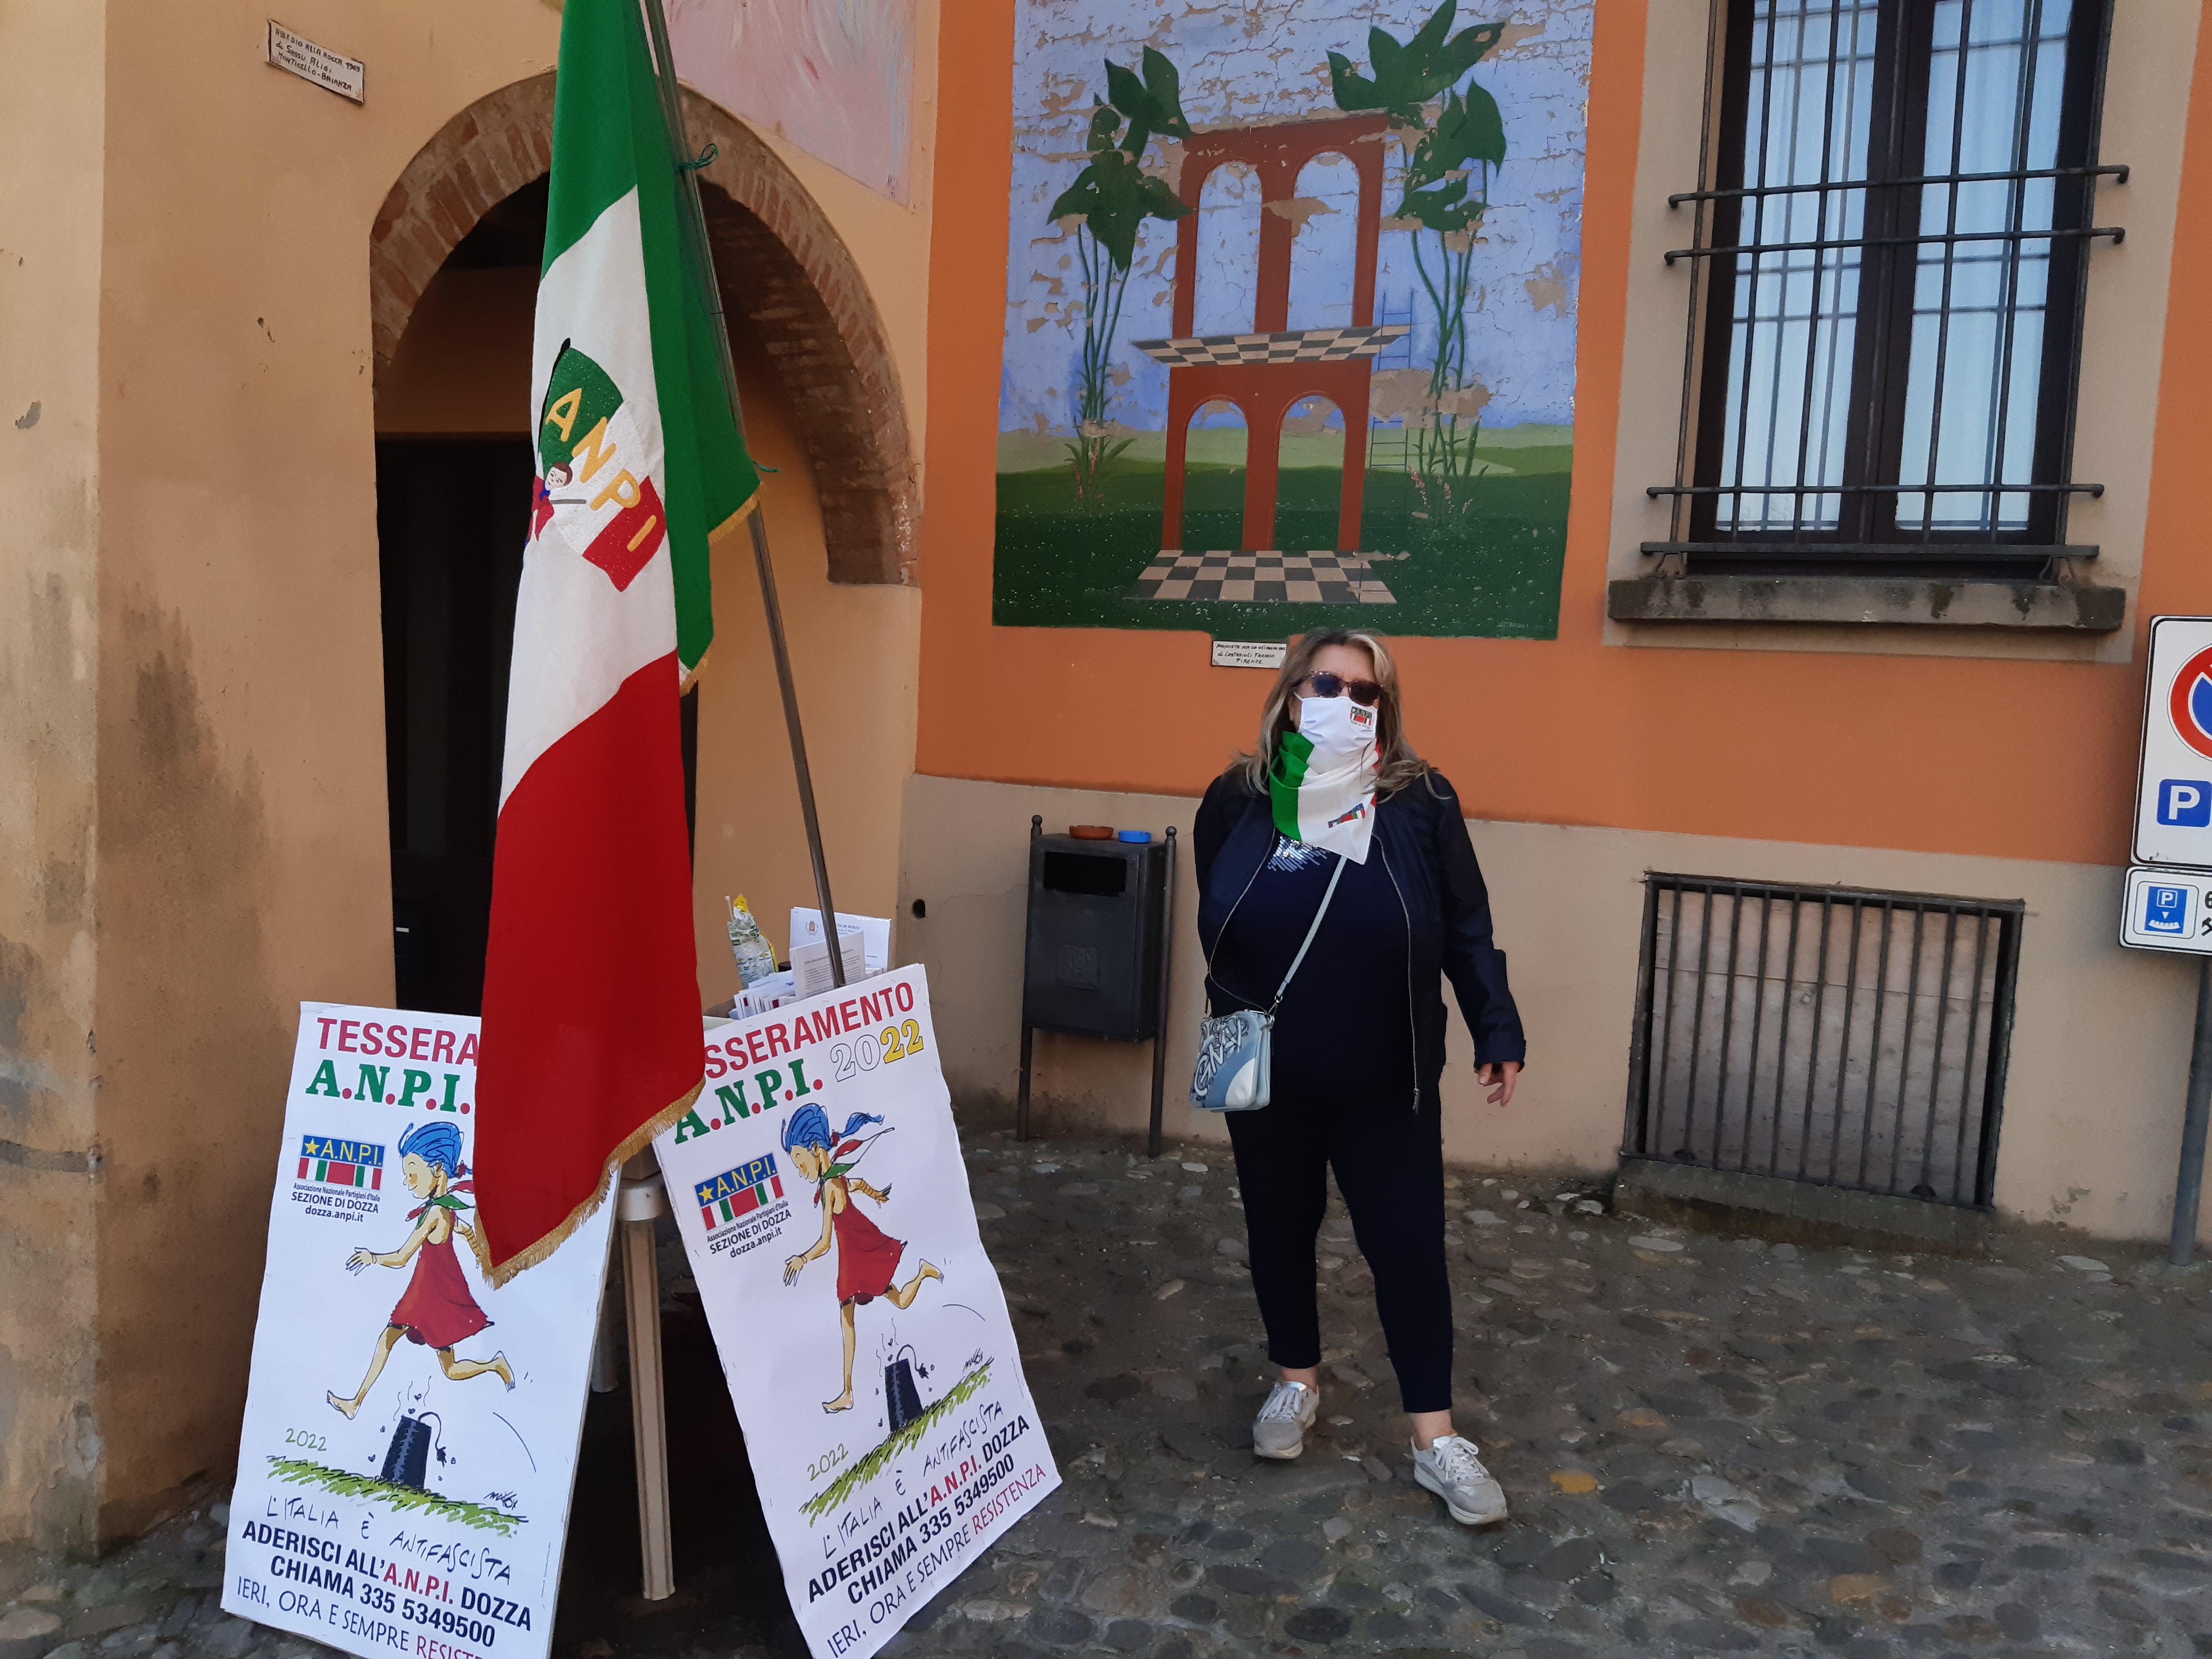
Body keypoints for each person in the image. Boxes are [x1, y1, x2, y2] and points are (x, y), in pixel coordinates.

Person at [1193, 628, 1526, 1526]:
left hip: (1387, 1077)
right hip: (1266, 1070)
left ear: (1385, 709)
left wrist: (1495, 1024)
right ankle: (1295, 1380)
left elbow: (1467, 925)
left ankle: (1434, 1437)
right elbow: (1218, 917)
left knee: (1407, 1246)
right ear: (1290, 694)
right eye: (1326, 684)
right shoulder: (1237, 799)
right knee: (1276, 1227)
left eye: (1364, 691)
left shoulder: (1421, 803)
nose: (1345, 701)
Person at [327, 1121, 512, 1419]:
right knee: (444, 1366)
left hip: (430, 1295)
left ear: (437, 1169)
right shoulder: (444, 1209)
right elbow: (465, 1231)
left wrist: (372, 1258)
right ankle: (494, 1365)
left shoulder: (437, 1212)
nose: (408, 1182)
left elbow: (402, 1258)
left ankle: (356, 1404)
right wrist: (480, 1256)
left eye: (412, 1172)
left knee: (394, 1342)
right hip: (433, 1291)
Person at [781, 1105, 943, 1413]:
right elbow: (857, 1184)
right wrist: (876, 1194)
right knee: (893, 1304)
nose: (801, 1172)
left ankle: (847, 1393)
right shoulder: (836, 1178)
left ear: (815, 1149)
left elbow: (825, 1243)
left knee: (849, 1321)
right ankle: (922, 1272)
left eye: (800, 1162)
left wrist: (802, 1259)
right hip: (858, 1253)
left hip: (857, 1257)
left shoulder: (830, 1186)